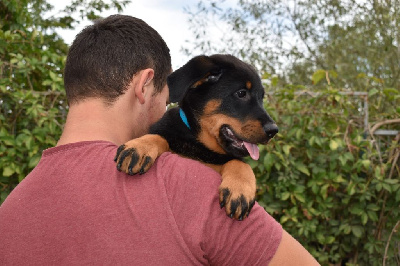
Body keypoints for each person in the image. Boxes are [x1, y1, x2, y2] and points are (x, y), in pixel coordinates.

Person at [0, 14, 319, 265]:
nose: (168, 105)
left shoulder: (9, 213)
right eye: (165, 96)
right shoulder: (201, 195)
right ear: (144, 85)